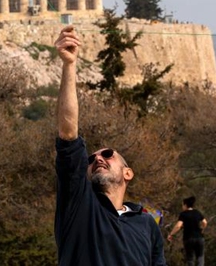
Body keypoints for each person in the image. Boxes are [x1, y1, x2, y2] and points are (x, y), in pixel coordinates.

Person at [54, 26, 166, 266]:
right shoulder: (79, 205)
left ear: (128, 173)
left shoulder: (146, 224)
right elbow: (68, 132)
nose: (98, 159)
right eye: (91, 160)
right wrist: (69, 65)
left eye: (107, 154)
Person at [167, 196, 207, 266]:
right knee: (200, 257)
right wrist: (202, 229)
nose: (182, 207)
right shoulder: (197, 212)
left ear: (185, 205)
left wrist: (171, 234)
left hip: (188, 238)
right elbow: (205, 222)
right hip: (199, 237)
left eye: (182, 205)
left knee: (190, 258)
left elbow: (178, 226)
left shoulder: (183, 214)